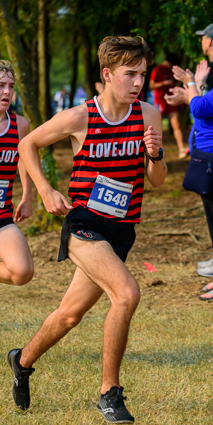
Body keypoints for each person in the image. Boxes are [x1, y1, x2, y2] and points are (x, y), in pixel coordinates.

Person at [7, 36, 167, 423]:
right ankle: (109, 394)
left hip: (122, 230)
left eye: (142, 74)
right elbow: (28, 143)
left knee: (69, 315)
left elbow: (158, 181)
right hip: (84, 225)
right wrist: (44, 190)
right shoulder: (82, 116)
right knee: (127, 293)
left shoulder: (148, 114)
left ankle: (22, 361)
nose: (138, 83)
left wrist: (155, 154)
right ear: (107, 75)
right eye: (130, 74)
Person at [165, 24, 213, 284]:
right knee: (209, 207)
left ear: (208, 41)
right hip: (205, 150)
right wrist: (188, 93)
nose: (202, 42)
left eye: (204, 38)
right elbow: (203, 104)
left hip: (211, 153)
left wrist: (193, 82)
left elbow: (203, 107)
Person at [0, 60, 33, 287]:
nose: (7, 91)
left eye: (11, 86)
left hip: (3, 215)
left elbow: (25, 159)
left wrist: (27, 196)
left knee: (23, 272)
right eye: (1, 84)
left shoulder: (20, 124)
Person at [149, 53, 189, 159]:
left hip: (172, 101)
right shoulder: (157, 70)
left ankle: (181, 149)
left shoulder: (172, 70)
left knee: (176, 124)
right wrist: (163, 83)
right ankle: (153, 150)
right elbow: (151, 85)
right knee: (156, 126)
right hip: (160, 102)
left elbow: (176, 83)